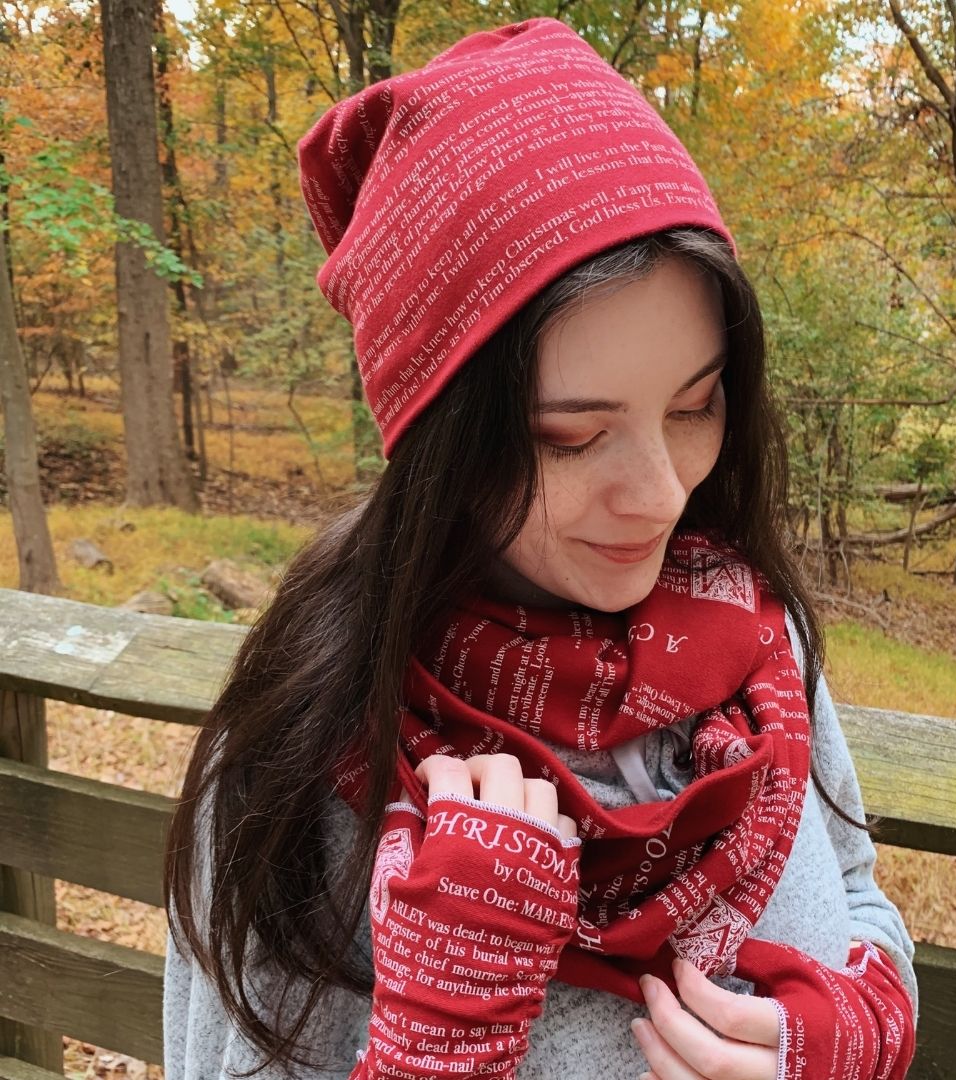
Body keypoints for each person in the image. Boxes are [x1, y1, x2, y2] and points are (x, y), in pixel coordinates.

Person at [163, 17, 917, 1080]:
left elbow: (858, 894)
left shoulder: (753, 633)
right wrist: (440, 1042)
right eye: (570, 436)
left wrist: (852, 1031)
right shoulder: (300, 754)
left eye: (696, 407)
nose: (661, 498)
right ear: (438, 439)